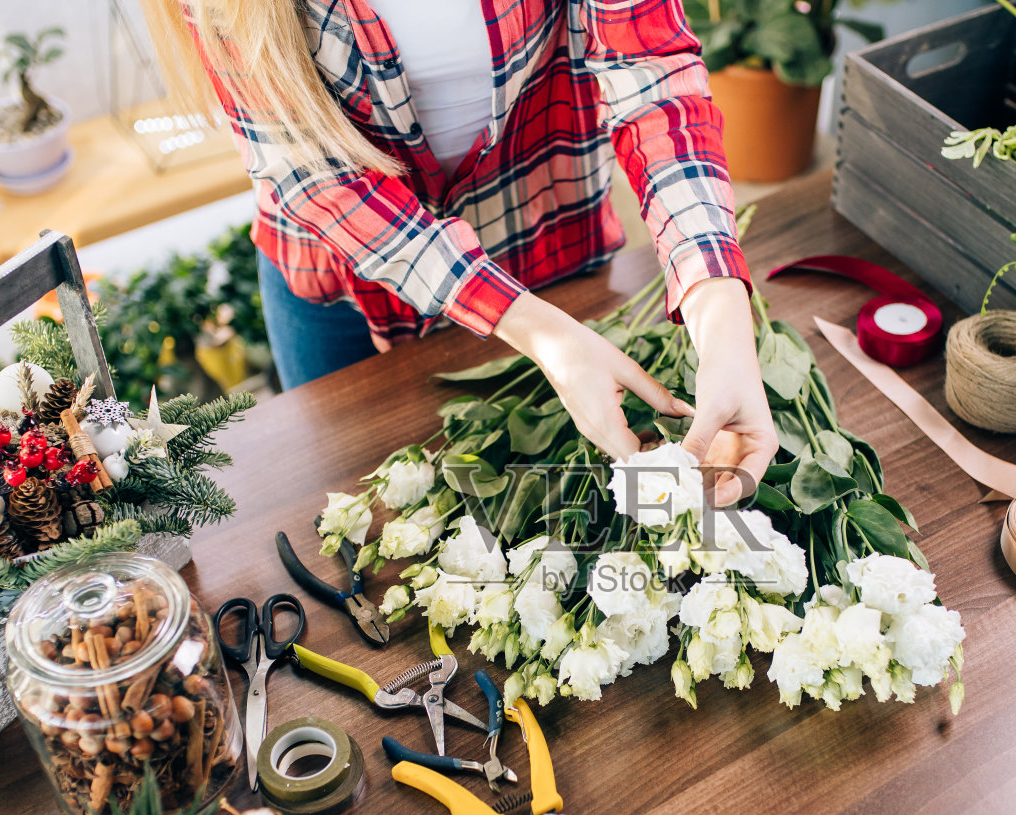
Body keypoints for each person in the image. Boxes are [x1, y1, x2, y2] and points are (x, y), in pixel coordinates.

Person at [142, 0, 775, 505]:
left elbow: (656, 84)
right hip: (342, 287)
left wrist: (719, 315)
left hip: (544, 239)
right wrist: (539, 333)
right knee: (359, 508)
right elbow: (316, 177)